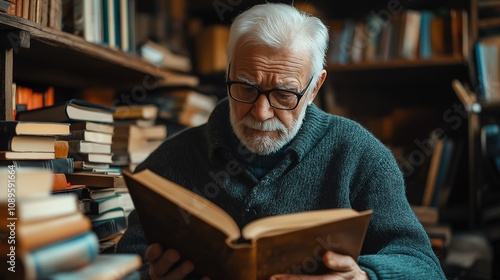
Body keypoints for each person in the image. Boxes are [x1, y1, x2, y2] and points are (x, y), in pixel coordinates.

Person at [117, 3, 446, 279]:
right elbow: (125, 262)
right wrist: (148, 274)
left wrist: (365, 276)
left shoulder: (360, 156)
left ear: (315, 88)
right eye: (246, 87)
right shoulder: (170, 161)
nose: (261, 113)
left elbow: (424, 267)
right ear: (228, 72)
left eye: (285, 94)